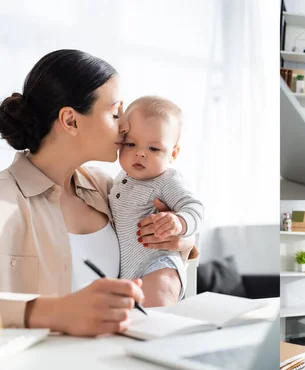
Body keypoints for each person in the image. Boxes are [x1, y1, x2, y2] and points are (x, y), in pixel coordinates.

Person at [0, 49, 197, 336]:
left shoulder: (110, 188)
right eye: (116, 113)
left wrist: (179, 240)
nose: (126, 125)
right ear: (70, 121)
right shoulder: (5, 200)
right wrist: (56, 312)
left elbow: (170, 253)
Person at [111, 96, 204, 306]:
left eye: (154, 149)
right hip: (127, 272)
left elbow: (195, 208)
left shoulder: (167, 181)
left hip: (159, 264)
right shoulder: (119, 179)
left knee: (157, 306)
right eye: (131, 144)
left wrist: (180, 222)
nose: (140, 153)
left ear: (173, 153)